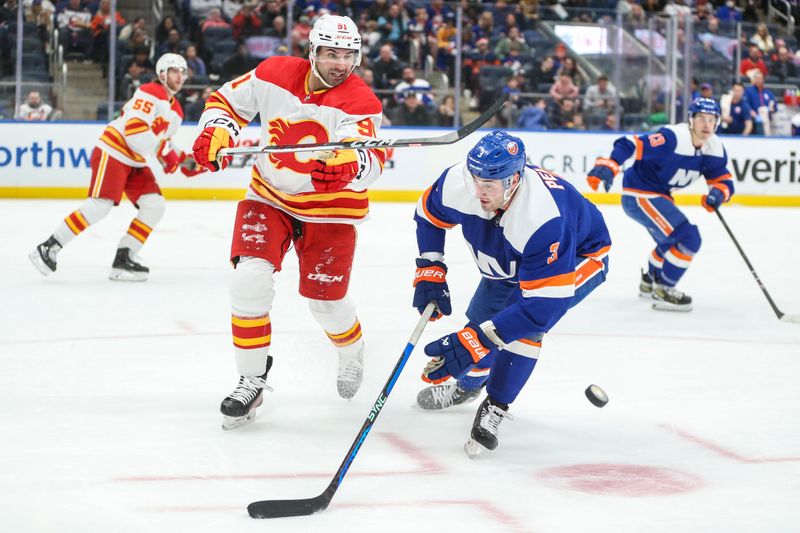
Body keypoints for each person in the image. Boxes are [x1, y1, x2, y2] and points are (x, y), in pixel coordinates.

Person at [190, 14, 386, 430]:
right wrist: (217, 130)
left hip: (331, 210)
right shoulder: (274, 72)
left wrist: (351, 164)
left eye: (348, 55)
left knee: (325, 304)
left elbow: (370, 155)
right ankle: (251, 379)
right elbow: (225, 101)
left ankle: (351, 350)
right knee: (248, 280)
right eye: (331, 53)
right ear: (312, 50)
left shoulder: (360, 101)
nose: (340, 63)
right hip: (269, 195)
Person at [411, 131, 611, 457]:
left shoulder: (543, 216)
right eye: (474, 179)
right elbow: (428, 216)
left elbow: (540, 309)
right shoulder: (458, 182)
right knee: (479, 323)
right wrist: (430, 268)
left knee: (519, 329)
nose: (477, 192)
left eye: (488, 185)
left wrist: (480, 339)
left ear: (514, 179)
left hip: (576, 258)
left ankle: (497, 403)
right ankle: (468, 387)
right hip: (511, 262)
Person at [29, 54, 190, 281]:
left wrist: (189, 161)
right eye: (175, 70)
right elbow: (135, 131)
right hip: (114, 150)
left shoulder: (178, 112)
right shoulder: (149, 92)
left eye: (183, 71)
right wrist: (165, 152)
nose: (180, 76)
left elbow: (165, 144)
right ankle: (48, 247)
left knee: (155, 205)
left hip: (135, 160)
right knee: (99, 206)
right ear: (162, 74)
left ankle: (124, 258)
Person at [586, 98, 735, 311]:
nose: (706, 124)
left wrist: (718, 194)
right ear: (691, 120)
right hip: (640, 194)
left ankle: (650, 280)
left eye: (712, 120)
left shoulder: (713, 148)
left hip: (658, 195)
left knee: (671, 242)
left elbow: (722, 179)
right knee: (688, 238)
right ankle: (664, 289)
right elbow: (628, 143)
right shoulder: (673, 138)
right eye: (701, 118)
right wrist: (611, 164)